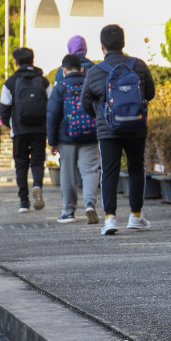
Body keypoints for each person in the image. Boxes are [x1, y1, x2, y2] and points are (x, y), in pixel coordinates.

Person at [82, 24, 156, 235]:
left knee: (109, 171)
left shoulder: (96, 71)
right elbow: (149, 93)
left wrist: (101, 115)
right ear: (123, 43)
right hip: (136, 127)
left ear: (102, 45)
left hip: (108, 130)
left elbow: (85, 101)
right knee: (136, 168)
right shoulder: (138, 66)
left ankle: (110, 219)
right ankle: (135, 216)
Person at [47, 54, 100, 224]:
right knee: (90, 170)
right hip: (90, 134)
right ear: (83, 69)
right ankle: (90, 204)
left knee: (67, 173)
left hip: (67, 137)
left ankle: (69, 211)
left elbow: (53, 115)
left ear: (63, 70)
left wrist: (52, 141)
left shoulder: (61, 87)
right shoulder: (90, 84)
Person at [0, 48, 52, 213]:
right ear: (32, 61)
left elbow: (3, 111)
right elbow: (52, 105)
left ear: (16, 63)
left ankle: (24, 202)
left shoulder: (9, 83)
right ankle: (37, 185)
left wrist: (10, 125)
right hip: (39, 129)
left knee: (21, 164)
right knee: (37, 162)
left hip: (19, 129)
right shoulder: (43, 82)